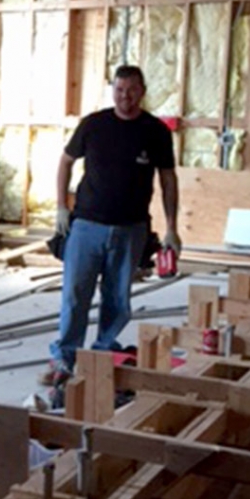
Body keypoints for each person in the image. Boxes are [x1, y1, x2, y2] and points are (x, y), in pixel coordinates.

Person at [45, 65, 180, 389]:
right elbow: (65, 161)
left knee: (117, 298)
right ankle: (65, 358)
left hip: (131, 229)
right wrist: (62, 207)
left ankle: (103, 355)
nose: (125, 97)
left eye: (132, 90)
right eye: (119, 90)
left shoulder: (155, 131)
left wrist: (172, 227)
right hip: (87, 226)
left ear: (142, 91)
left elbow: (167, 179)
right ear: (113, 91)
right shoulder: (94, 125)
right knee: (75, 295)